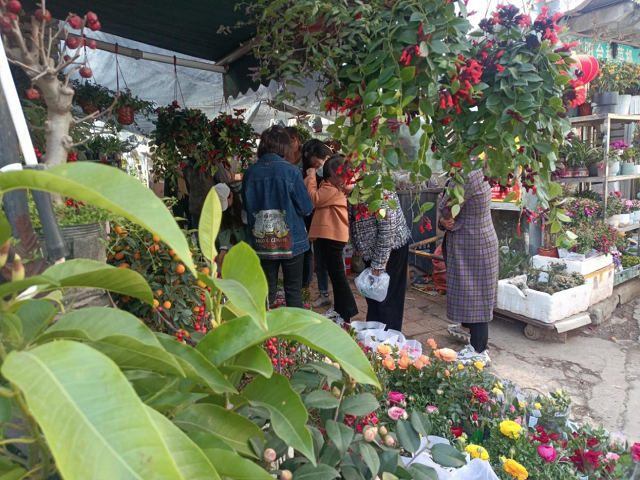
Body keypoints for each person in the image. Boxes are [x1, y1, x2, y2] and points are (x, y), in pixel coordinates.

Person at [242, 126, 314, 308]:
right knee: (293, 290)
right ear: (285, 147)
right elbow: (306, 208)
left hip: (261, 242)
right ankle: (294, 327)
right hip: (292, 241)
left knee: (265, 292)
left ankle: (264, 325)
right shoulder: (291, 172)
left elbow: (247, 206)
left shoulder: (250, 173)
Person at [438, 168, 498, 366]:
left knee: (475, 295)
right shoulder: (480, 168)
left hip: (472, 243)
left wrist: (443, 217)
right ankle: (471, 336)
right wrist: (444, 222)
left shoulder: (467, 174)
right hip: (477, 239)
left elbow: (446, 208)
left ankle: (479, 350)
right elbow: (449, 216)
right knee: (474, 293)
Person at [346, 165, 411, 331]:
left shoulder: (378, 188)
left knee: (388, 299)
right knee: (374, 295)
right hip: (373, 250)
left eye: (340, 184)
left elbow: (387, 230)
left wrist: (378, 264)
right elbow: (355, 220)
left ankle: (389, 338)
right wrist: (358, 245)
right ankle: (374, 333)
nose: (339, 189)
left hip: (391, 249)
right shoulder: (355, 190)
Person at [305, 155, 358, 322]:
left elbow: (315, 198)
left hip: (332, 235)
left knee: (338, 275)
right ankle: (341, 310)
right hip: (332, 234)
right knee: (336, 275)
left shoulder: (331, 187)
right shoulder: (338, 185)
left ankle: (346, 312)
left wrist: (311, 177)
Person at [301, 140, 333, 307]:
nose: (314, 167)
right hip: (318, 223)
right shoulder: (319, 176)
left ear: (326, 157)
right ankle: (324, 293)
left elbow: (315, 198)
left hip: (331, 225)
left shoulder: (333, 176)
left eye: (316, 164)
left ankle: (339, 300)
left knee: (334, 265)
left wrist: (311, 178)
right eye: (311, 165)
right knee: (320, 262)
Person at [214, 183, 246, 271]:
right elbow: (224, 226)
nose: (225, 206)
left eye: (225, 202)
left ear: (231, 195)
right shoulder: (220, 209)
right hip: (235, 238)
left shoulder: (244, 199)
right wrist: (223, 248)